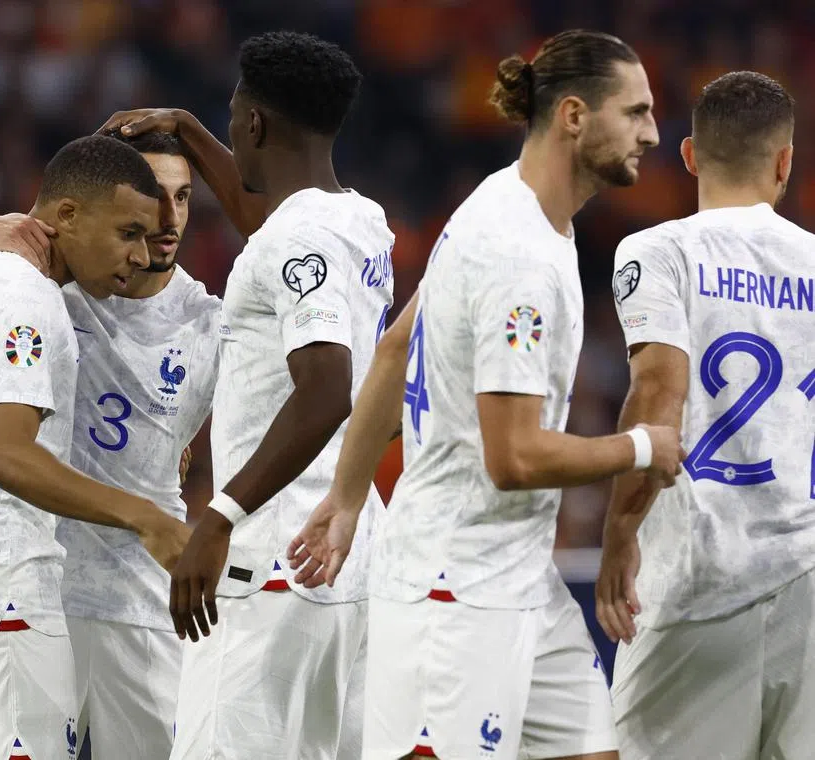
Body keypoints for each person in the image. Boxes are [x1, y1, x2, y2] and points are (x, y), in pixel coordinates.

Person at [286, 30, 682, 760]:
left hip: (518, 573)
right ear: (573, 115)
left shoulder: (506, 209)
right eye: (635, 112)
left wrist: (347, 501)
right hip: (454, 590)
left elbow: (397, 346)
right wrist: (642, 447)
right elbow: (514, 457)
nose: (653, 133)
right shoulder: (518, 253)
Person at [0, 129, 224, 759]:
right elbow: (5, 454)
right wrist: (146, 518)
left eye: (175, 207)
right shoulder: (28, 298)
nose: (143, 251)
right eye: (128, 231)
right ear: (66, 215)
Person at [104, 30, 394, 759]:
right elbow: (276, 237)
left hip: (272, 558)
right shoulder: (363, 222)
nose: (231, 123)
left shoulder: (296, 241)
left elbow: (326, 391)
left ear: (256, 123)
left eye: (233, 112)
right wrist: (190, 129)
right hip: (351, 553)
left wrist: (220, 517)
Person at [596, 71, 815, 760]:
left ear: (689, 155)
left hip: (699, 580)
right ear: (785, 161)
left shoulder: (657, 252)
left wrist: (620, 531)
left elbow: (659, 391)